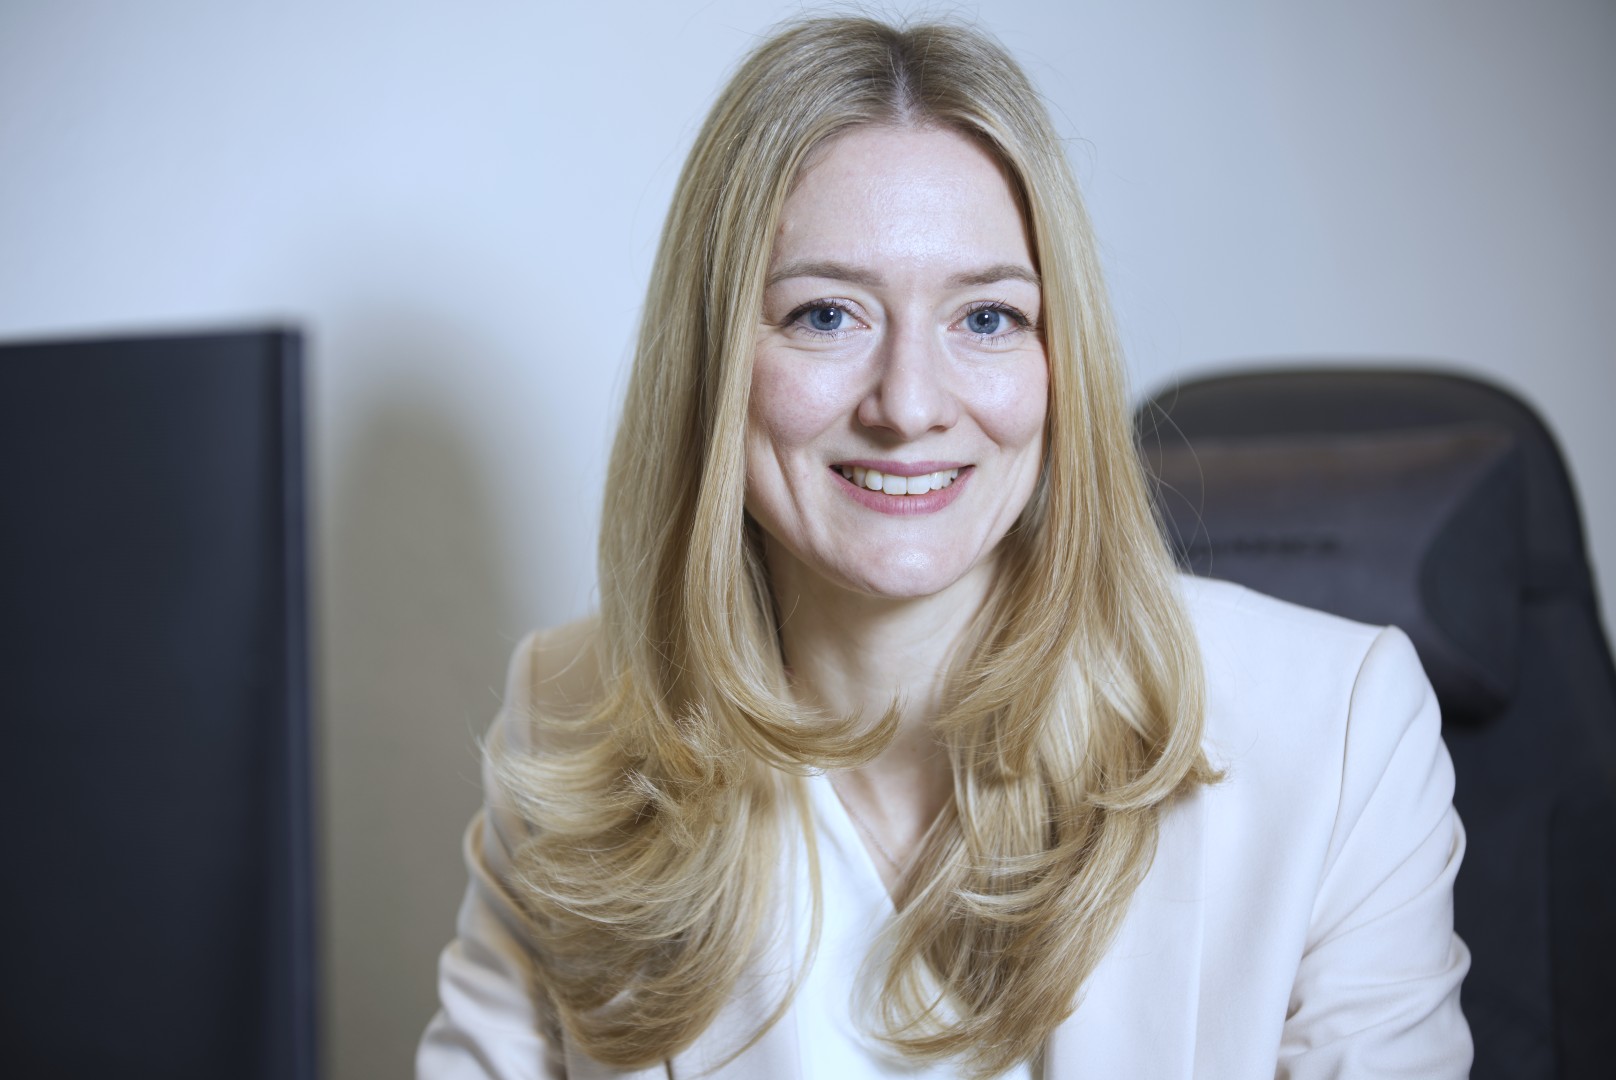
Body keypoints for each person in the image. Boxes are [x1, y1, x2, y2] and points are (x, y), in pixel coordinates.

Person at [418, 16, 1471, 1079]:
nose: (909, 404)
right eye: (826, 315)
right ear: (713, 360)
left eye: (987, 318)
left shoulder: (1341, 736)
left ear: (1060, 361)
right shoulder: (568, 717)